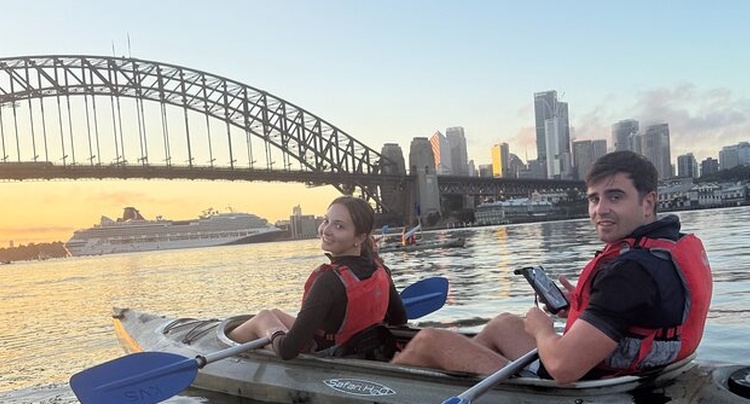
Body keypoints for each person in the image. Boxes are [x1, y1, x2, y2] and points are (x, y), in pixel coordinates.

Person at [392, 151, 713, 384]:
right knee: (504, 323)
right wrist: (582, 307)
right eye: (594, 198)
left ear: (647, 202)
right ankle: (455, 384)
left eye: (615, 197)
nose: (600, 209)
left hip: (591, 383)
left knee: (428, 340)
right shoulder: (668, 246)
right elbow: (638, 312)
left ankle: (387, 388)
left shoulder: (629, 273)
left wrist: (542, 327)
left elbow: (563, 368)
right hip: (635, 369)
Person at [228, 196, 407, 361]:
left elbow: (287, 350)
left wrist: (273, 332)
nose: (326, 230)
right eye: (326, 221)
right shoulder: (380, 269)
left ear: (360, 237)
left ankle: (223, 350)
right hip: (363, 347)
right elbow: (399, 318)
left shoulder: (329, 280)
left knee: (264, 318)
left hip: (333, 353)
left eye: (339, 226)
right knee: (275, 313)